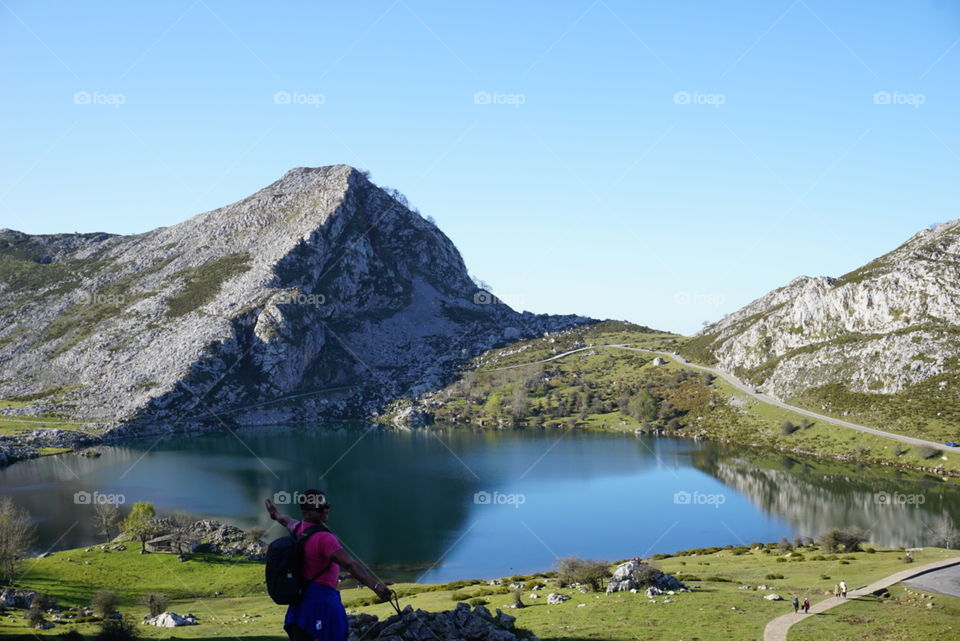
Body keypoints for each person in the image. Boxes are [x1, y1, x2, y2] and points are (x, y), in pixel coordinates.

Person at [265, 489, 392, 641]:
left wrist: (275, 515)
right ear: (306, 513)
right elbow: (350, 564)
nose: (325, 510)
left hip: (300, 606)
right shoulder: (324, 538)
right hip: (322, 604)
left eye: (326, 505)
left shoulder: (298, 529)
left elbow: (286, 520)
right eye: (319, 508)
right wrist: (376, 587)